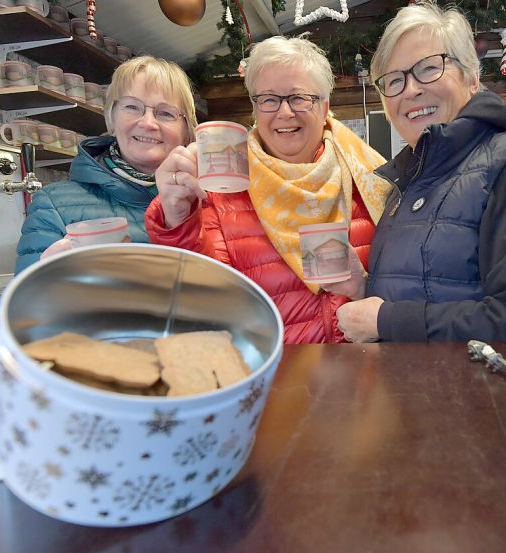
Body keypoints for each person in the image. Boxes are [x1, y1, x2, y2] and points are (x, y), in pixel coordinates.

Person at [333, 1, 506, 343]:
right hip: (411, 392)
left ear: (472, 77)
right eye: (394, 79)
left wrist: (387, 320)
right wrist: (363, 288)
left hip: (475, 395)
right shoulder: (405, 183)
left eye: (429, 68)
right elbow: (420, 292)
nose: (411, 89)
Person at [145, 36, 392, 344]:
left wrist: (364, 287)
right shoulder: (223, 189)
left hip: (366, 373)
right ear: (255, 108)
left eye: (299, 98)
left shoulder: (370, 178)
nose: (284, 112)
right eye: (269, 99)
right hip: (278, 378)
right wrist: (177, 218)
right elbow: (201, 296)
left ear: (325, 106)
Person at [15, 56, 198, 273]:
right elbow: (25, 301)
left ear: (187, 130)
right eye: (132, 107)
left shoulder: (211, 202)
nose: (148, 122)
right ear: (111, 117)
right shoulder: (53, 204)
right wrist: (48, 283)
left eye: (165, 113)